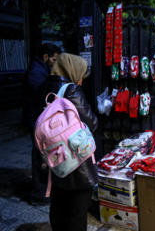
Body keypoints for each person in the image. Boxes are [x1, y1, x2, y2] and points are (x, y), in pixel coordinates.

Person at [33, 53, 98, 231]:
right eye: (81, 75)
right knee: (77, 211)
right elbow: (91, 123)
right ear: (73, 70)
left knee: (58, 207)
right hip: (75, 162)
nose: (82, 81)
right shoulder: (71, 90)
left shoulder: (42, 87)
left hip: (54, 159)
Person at [21, 43, 62, 205]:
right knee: (40, 157)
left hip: (38, 119)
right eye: (54, 59)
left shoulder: (41, 69)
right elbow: (45, 95)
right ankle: (39, 194)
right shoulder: (36, 72)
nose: (55, 63)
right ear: (46, 58)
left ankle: (44, 190)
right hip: (35, 120)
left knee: (43, 155)